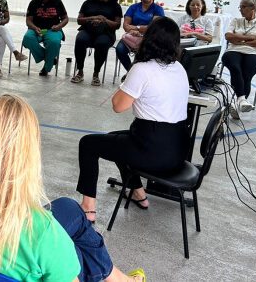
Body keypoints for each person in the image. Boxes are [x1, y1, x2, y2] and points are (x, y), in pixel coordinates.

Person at [0, 95, 145, 282]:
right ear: (29, 153)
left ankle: (117, 278)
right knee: (76, 249)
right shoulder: (41, 231)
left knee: (68, 209)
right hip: (36, 242)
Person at [77, 17, 188, 223]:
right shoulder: (179, 68)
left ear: (149, 39)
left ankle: (88, 206)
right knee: (115, 140)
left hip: (151, 149)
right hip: (177, 150)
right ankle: (138, 193)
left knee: (88, 144)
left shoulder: (143, 69)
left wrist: (131, 77)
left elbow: (118, 106)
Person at [222, 0, 256, 118]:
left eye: (243, 7)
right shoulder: (236, 20)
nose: (240, 9)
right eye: (240, 6)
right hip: (234, 50)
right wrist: (250, 38)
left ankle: (235, 103)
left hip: (254, 53)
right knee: (235, 68)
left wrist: (240, 40)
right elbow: (228, 36)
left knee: (246, 73)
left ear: (252, 8)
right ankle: (242, 100)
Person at [71, 0, 122, 86]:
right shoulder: (87, 3)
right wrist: (92, 18)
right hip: (88, 30)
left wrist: (104, 20)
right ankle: (80, 71)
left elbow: (117, 25)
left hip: (106, 33)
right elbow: (79, 20)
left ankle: (96, 73)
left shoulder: (115, 6)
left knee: (101, 43)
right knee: (80, 39)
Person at [115, 0, 165, 78]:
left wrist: (136, 28)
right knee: (120, 49)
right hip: (131, 36)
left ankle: (139, 76)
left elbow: (153, 28)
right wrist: (133, 31)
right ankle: (131, 72)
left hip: (149, 38)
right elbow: (125, 26)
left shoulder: (158, 9)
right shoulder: (133, 7)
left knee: (145, 54)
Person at [21, 0, 68, 76]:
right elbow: (28, 21)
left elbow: (65, 19)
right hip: (37, 29)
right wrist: (34, 27)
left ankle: (46, 68)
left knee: (54, 42)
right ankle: (49, 59)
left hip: (52, 30)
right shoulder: (34, 3)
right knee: (27, 38)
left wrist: (59, 26)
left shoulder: (57, 2)